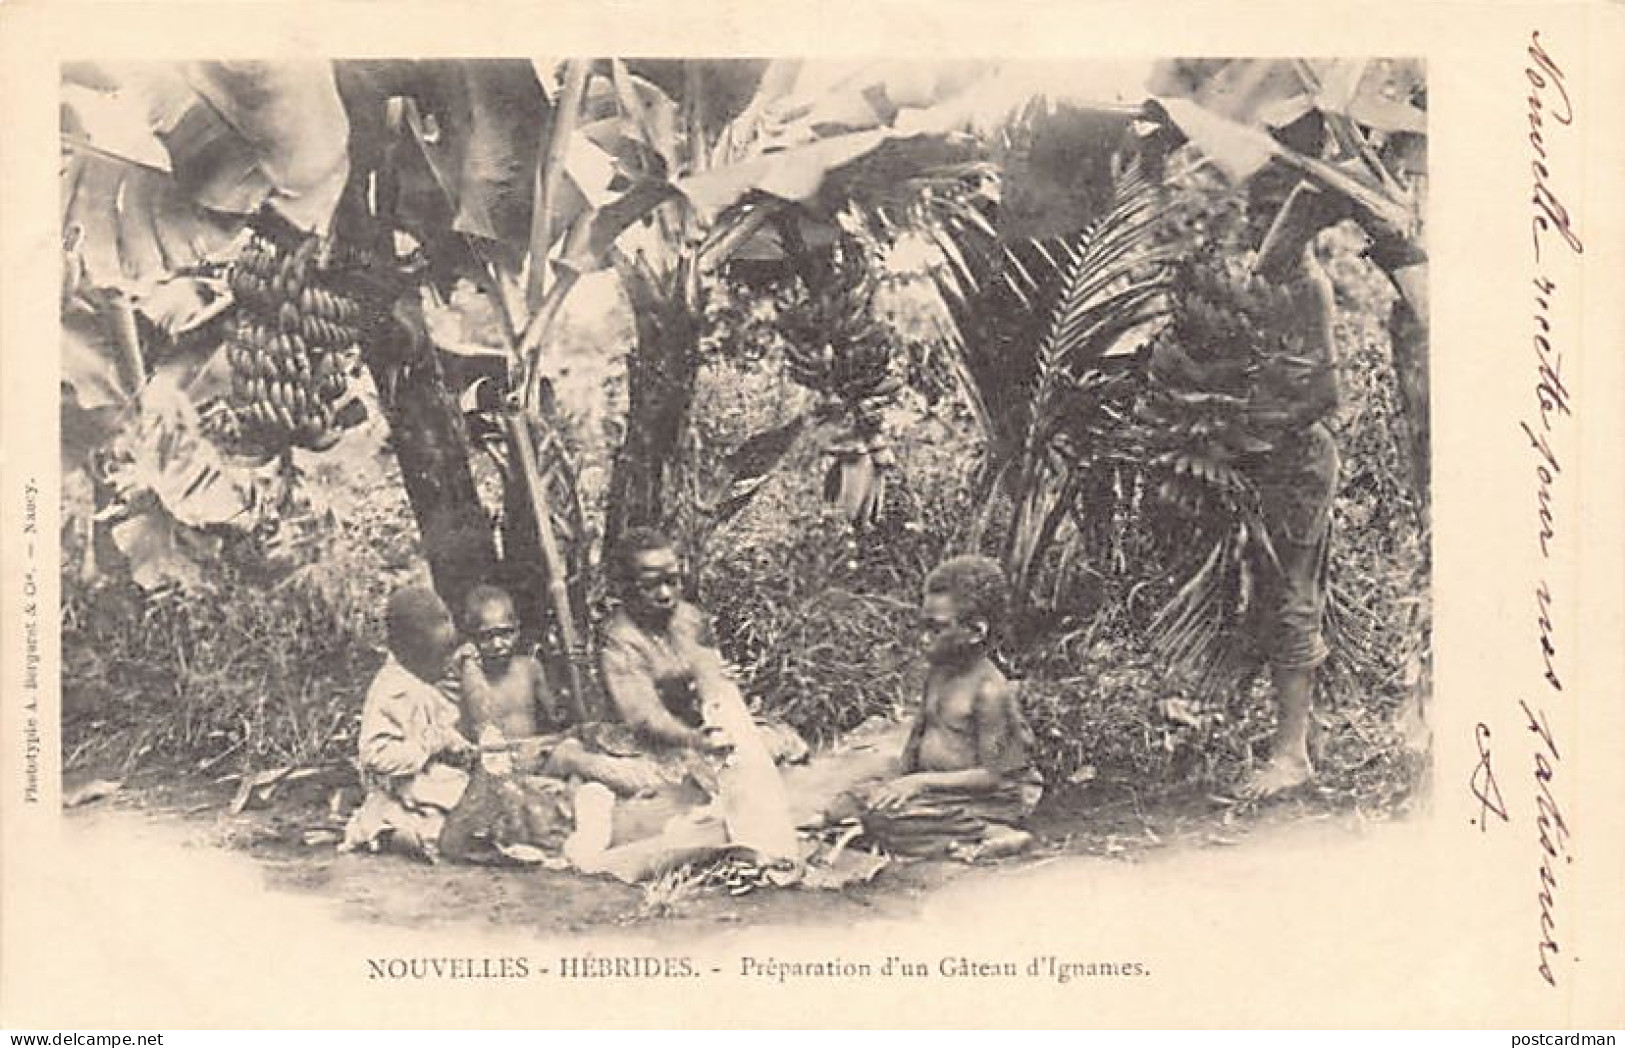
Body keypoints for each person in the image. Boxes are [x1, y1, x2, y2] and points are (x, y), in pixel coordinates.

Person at [1236, 178, 1346, 799]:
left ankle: (1291, 754)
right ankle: (1300, 735)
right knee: (1267, 595)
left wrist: (1260, 428)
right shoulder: (1259, 283)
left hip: (1297, 460)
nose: (1259, 223)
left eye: (1269, 212)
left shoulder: (1308, 288)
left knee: (1292, 597)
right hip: (1263, 460)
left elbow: (1325, 393)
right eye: (1252, 210)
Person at [854, 555, 1044, 859]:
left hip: (986, 797)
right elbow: (917, 737)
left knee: (885, 820)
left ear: (976, 632)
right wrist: (896, 782)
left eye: (936, 629)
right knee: (852, 799)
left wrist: (918, 783)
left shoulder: (990, 690)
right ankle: (939, 830)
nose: (923, 640)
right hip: (937, 790)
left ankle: (994, 833)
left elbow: (995, 775)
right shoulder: (938, 672)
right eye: (922, 627)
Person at [341, 585, 476, 861]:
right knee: (454, 797)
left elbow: (437, 727)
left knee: (458, 793)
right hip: (398, 783)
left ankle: (408, 831)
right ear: (410, 649)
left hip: (423, 778)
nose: (446, 664)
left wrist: (455, 743)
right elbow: (374, 756)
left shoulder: (419, 682)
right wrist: (430, 745)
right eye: (439, 656)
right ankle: (390, 832)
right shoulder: (393, 689)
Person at [456, 584, 569, 749]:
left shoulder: (530, 668)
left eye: (504, 633)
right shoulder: (471, 677)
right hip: (493, 761)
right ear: (473, 637)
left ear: (517, 630)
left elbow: (555, 717)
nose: (497, 644)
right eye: (486, 636)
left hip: (533, 751)